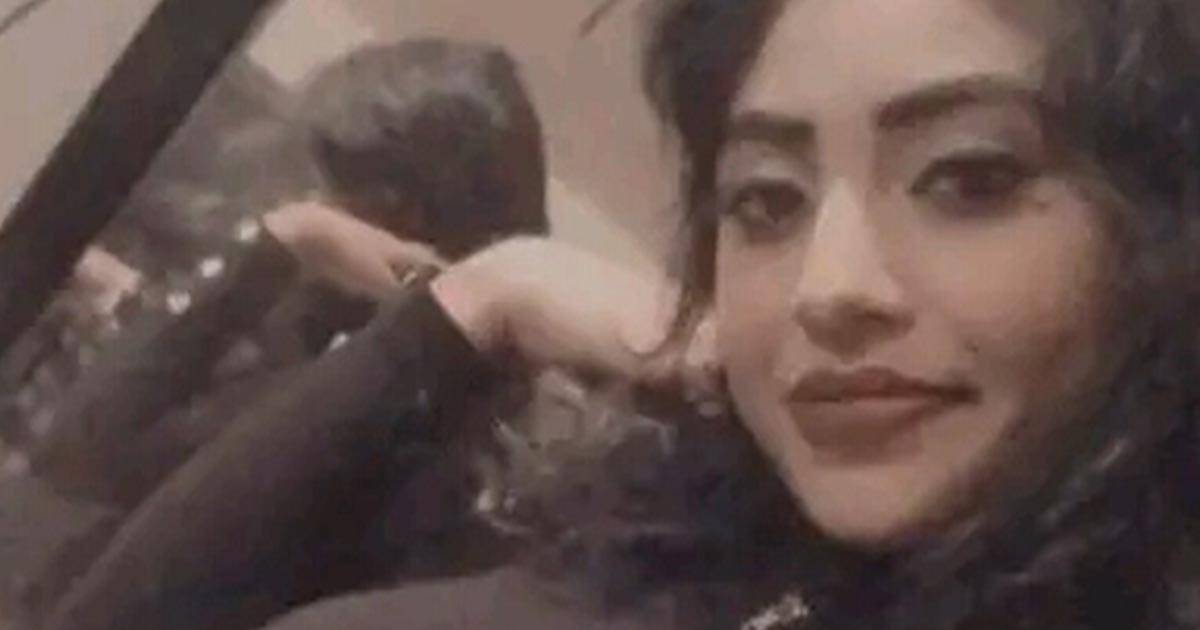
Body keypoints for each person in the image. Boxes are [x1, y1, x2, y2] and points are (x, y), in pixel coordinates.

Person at [42, 0, 1200, 629]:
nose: (827, 285)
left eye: (968, 177)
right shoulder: (662, 556)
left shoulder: (502, 449)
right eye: (765, 200)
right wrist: (469, 304)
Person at [30, 38, 547, 508]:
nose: (312, 199)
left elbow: (83, 449)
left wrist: (287, 239)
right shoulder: (354, 332)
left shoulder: (388, 391)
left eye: (331, 188)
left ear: (397, 209)